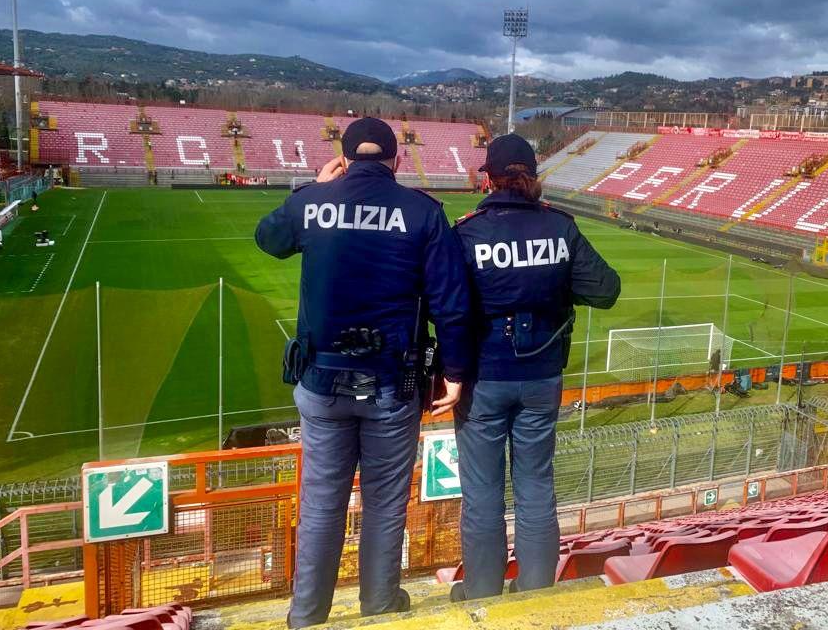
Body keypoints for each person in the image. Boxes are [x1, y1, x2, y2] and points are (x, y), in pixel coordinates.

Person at [255, 117, 471, 628]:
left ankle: (306, 615)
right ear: (396, 161)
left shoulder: (313, 202)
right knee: (385, 505)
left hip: (321, 382)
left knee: (321, 507)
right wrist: (456, 371)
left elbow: (269, 238)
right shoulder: (422, 212)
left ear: (345, 160)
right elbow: (451, 303)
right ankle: (379, 606)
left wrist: (317, 187)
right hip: (392, 387)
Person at [451, 133, 621, 600]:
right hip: (543, 376)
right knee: (535, 487)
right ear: (533, 178)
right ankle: (536, 593)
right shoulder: (560, 228)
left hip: (484, 379)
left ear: (488, 178)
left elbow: (443, 304)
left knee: (483, 494)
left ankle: (482, 595)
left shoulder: (468, 231)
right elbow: (605, 290)